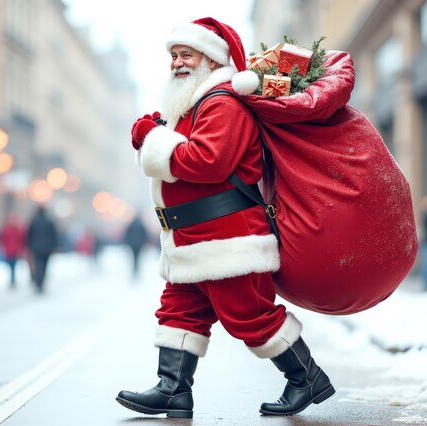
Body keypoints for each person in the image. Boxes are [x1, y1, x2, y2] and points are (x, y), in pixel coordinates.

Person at [115, 17, 334, 419]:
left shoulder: (222, 101)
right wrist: (156, 132)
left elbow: (208, 161)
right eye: (174, 56)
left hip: (229, 238)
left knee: (249, 314)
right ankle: (173, 389)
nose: (178, 63)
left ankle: (307, 378)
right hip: (195, 238)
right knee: (179, 310)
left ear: (212, 61)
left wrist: (152, 138)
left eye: (187, 55)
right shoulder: (192, 102)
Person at [26, 206, 59, 293]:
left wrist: (29, 246)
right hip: (47, 248)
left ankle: (38, 282)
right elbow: (54, 235)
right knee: (44, 266)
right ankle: (41, 282)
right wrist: (55, 246)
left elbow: (29, 235)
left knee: (38, 266)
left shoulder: (34, 221)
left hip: (36, 248)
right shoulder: (49, 221)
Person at [0, 213, 26, 289]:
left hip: (15, 251)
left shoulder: (18, 229)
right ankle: (12, 279)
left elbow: (21, 240)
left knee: (13, 266)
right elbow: (3, 240)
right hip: (8, 251)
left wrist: (21, 249)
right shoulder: (6, 229)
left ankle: (12, 280)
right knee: (10, 266)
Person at [122, 214, 149, 279]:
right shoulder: (141, 225)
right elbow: (145, 235)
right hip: (139, 245)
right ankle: (137, 271)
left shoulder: (131, 225)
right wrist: (144, 242)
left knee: (134, 258)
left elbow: (127, 235)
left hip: (132, 245)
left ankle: (134, 271)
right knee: (138, 258)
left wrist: (128, 243)